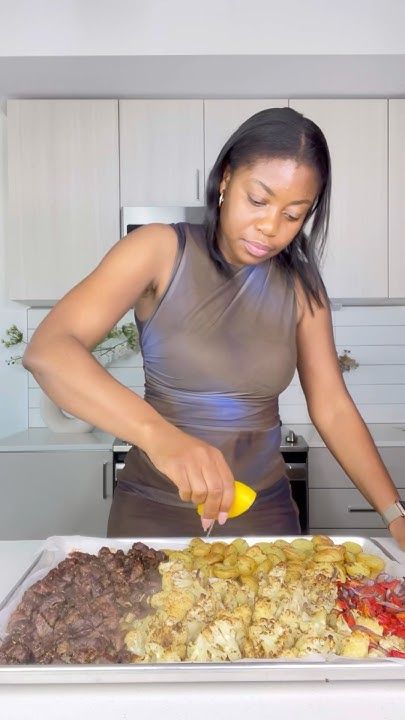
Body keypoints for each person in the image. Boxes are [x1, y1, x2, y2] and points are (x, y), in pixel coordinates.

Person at [23, 107, 405, 548]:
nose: (270, 226)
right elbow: (49, 350)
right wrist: (160, 437)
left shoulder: (301, 284)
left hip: (267, 521)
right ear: (225, 178)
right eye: (258, 200)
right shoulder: (158, 249)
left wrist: (394, 513)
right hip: (153, 517)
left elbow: (333, 408)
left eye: (294, 214)